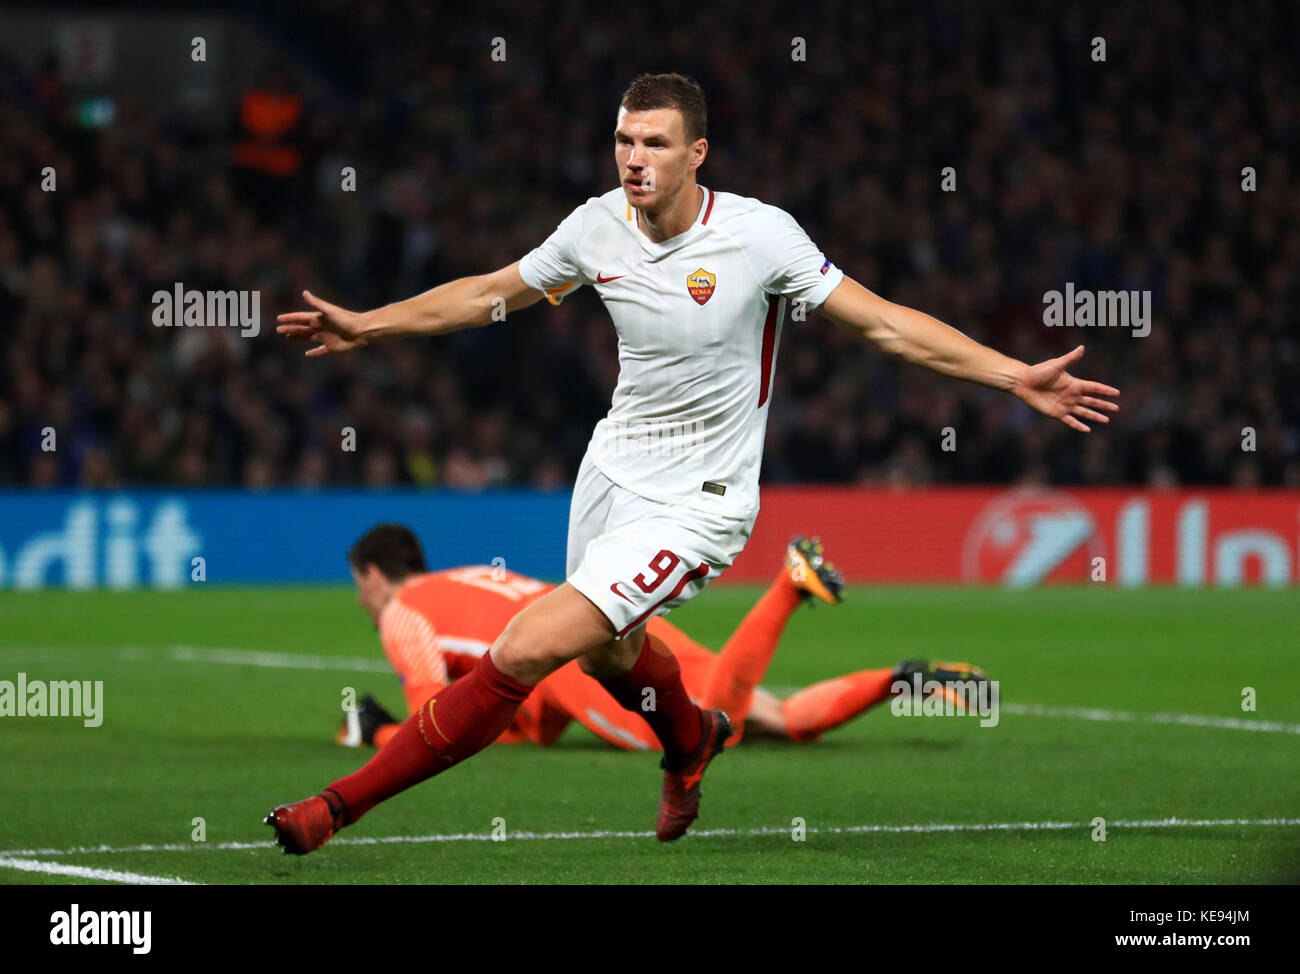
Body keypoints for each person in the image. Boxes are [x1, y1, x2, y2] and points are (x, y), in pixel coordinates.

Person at [267, 72, 1118, 854]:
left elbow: (885, 324)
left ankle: (335, 808)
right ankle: (692, 740)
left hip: (701, 501)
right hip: (611, 474)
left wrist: (1013, 375)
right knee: (608, 659)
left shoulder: (759, 238)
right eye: (625, 141)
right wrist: (368, 324)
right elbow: (492, 291)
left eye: (656, 144)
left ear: (696, 153)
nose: (635, 160)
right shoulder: (596, 224)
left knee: (524, 650)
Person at [335, 524, 986, 754]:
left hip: (579, 660)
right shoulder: (467, 574)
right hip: (604, 614)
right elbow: (525, 717)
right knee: (777, 721)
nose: (363, 603)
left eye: (358, 587)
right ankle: (900, 680)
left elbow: (430, 721)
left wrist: (380, 731)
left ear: (372, 576)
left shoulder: (403, 612)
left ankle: (788, 585)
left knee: (702, 731)